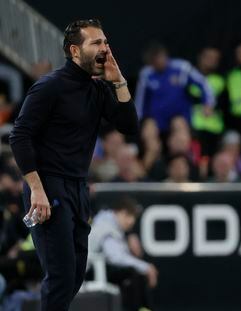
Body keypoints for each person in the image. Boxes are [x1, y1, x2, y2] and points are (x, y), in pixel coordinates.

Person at [9, 19, 139, 311]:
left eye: (105, 42)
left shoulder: (98, 88)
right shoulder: (49, 87)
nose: (105, 48)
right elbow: (20, 137)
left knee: (76, 274)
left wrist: (118, 80)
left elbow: (129, 125)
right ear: (75, 51)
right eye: (96, 43)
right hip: (47, 186)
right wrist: (36, 190)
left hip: (78, 188)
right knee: (61, 276)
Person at [88, 197, 158, 311]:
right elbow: (115, 258)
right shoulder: (106, 227)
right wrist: (146, 267)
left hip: (98, 268)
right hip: (89, 271)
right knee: (132, 273)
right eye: (127, 215)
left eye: (133, 216)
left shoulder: (110, 225)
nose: (131, 221)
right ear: (118, 212)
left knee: (133, 273)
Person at [135, 42, 214, 134]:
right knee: (148, 130)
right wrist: (138, 119)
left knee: (179, 125)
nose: (160, 61)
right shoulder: (146, 74)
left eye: (161, 57)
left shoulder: (181, 68)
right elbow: (140, 100)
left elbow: (203, 82)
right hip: (157, 119)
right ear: (151, 62)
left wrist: (208, 103)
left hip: (179, 116)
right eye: (155, 60)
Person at [190, 47, 226, 156]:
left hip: (214, 130)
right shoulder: (189, 77)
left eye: (215, 59)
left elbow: (225, 104)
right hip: (193, 128)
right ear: (200, 57)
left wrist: (213, 107)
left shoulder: (221, 81)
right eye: (208, 57)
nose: (211, 61)